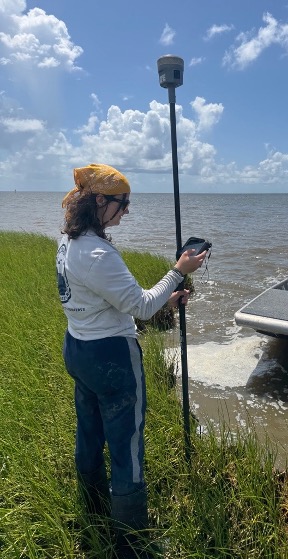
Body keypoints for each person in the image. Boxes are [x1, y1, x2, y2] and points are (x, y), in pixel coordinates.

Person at [56, 163, 206, 559]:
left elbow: (110, 299)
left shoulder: (70, 242)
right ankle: (131, 540)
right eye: (123, 204)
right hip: (112, 358)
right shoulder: (96, 253)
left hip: (78, 347)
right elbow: (139, 306)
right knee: (127, 445)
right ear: (100, 201)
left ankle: (92, 506)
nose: (127, 211)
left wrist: (167, 298)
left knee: (89, 432)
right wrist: (179, 272)